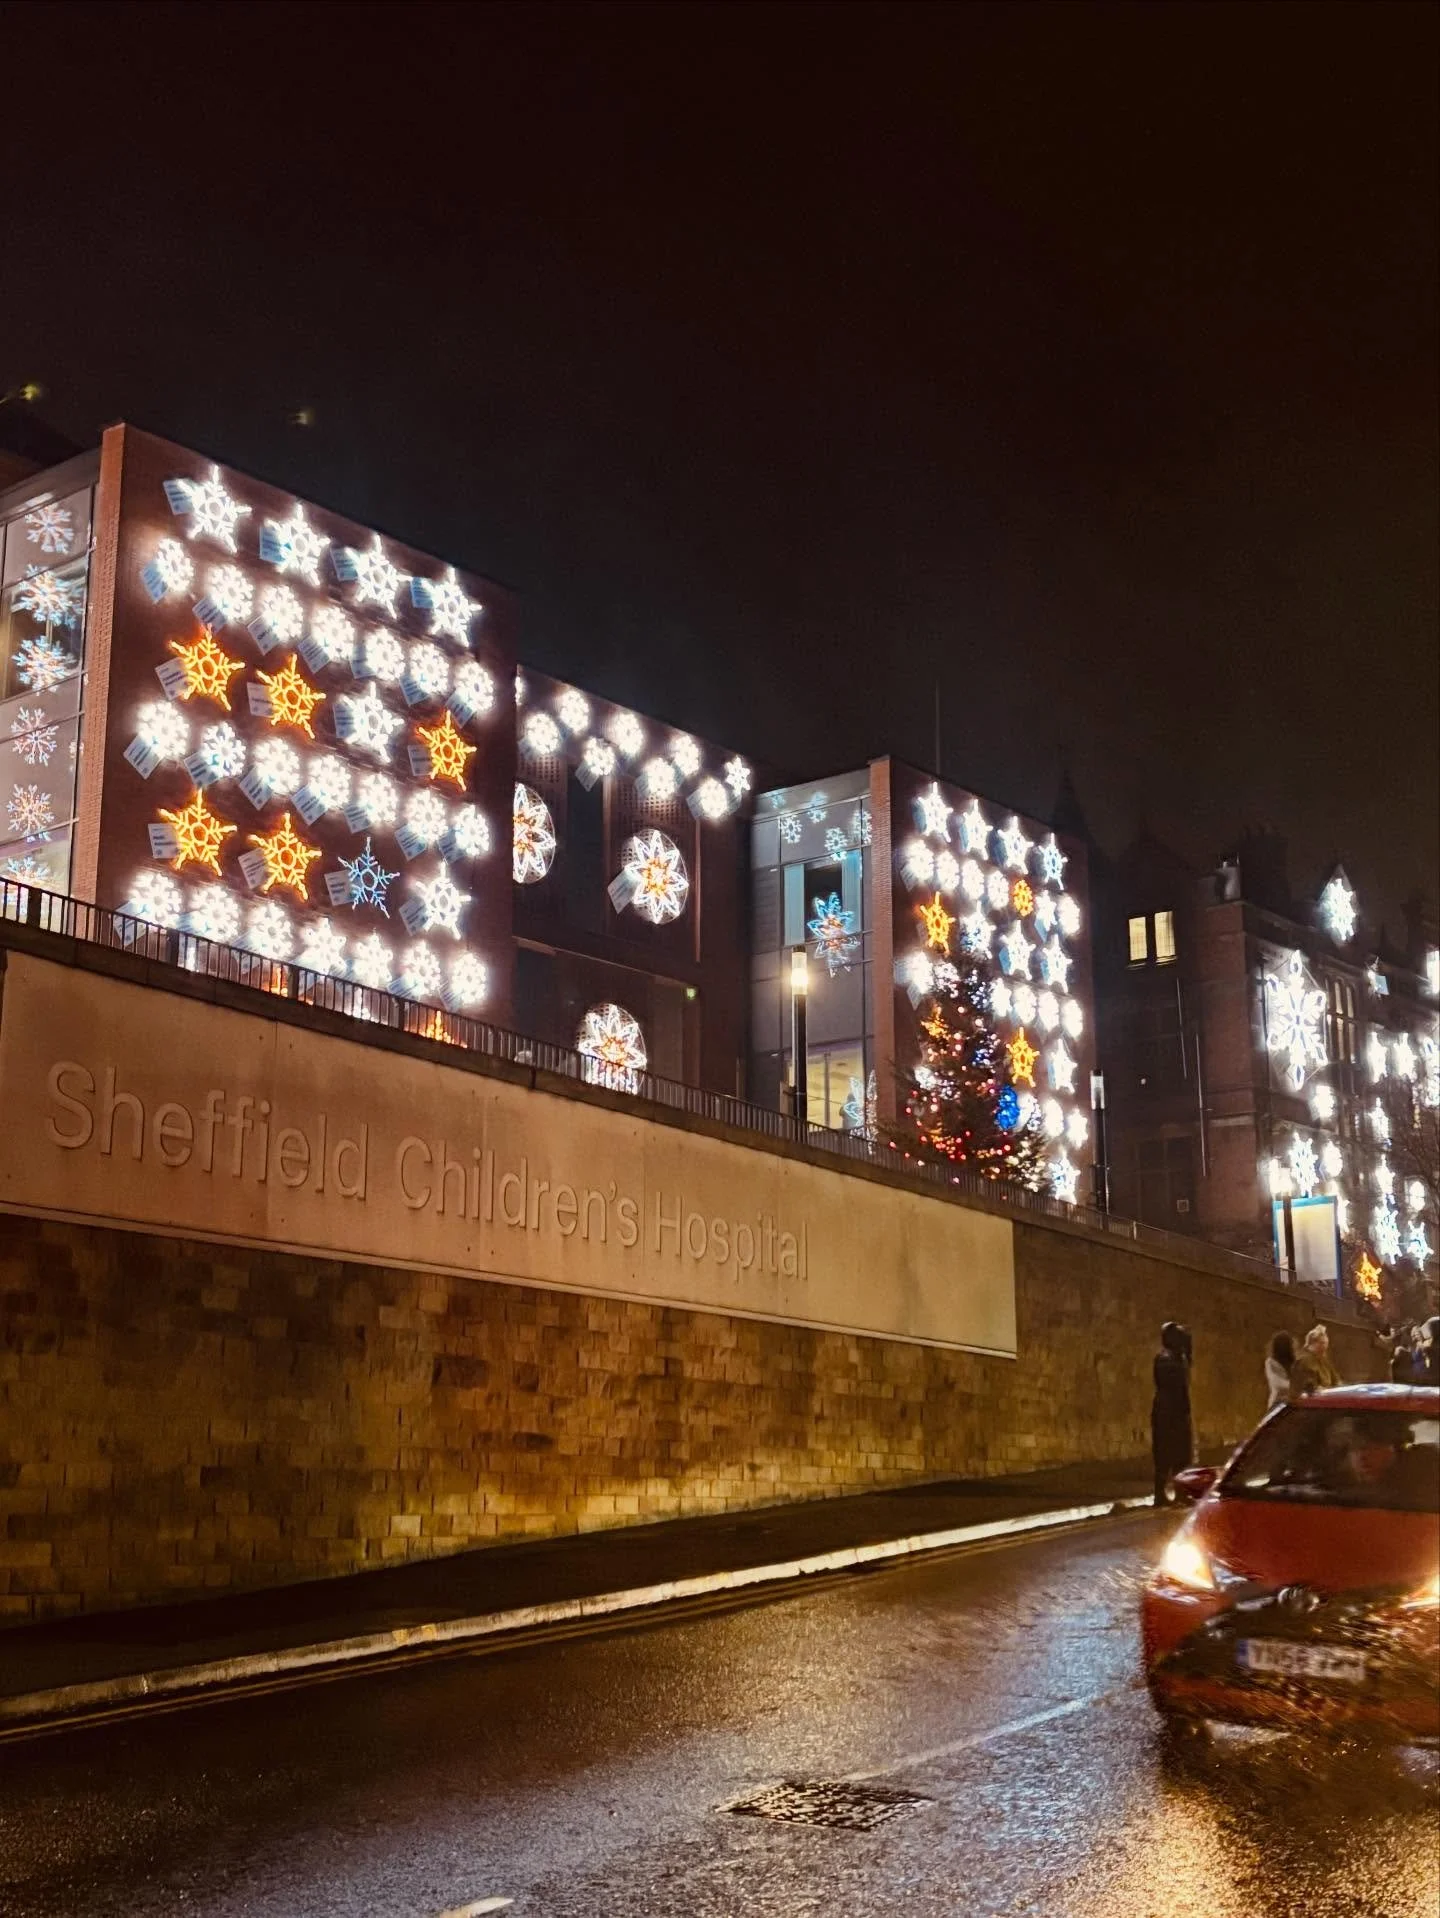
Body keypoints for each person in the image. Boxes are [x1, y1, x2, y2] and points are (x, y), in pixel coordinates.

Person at [1151, 1320, 1193, 1507]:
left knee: (1181, 1454)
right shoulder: (1165, 1359)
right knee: (1166, 1453)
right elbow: (1174, 1385)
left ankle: (1179, 1492)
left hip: (1176, 1410)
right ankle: (1160, 1494)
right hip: (1167, 1412)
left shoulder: (1176, 1358)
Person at [1289, 1323, 1339, 1398]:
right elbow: (1309, 1387)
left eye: (1326, 1344)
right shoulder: (1304, 1361)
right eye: (1322, 1343)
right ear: (1312, 1343)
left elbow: (1336, 1381)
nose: (1325, 1347)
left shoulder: (1323, 1361)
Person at [1265, 1331, 1296, 1410]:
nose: (1293, 1347)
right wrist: (1297, 1386)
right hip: (1277, 1404)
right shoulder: (1271, 1362)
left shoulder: (1294, 1362)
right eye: (1291, 1345)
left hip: (1293, 1403)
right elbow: (1277, 1383)